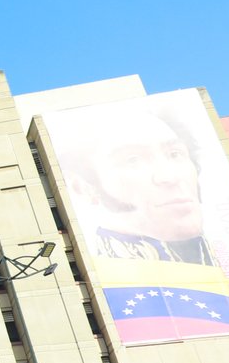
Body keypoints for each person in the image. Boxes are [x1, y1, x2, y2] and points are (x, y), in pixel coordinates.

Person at [56, 106, 214, 264]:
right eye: (133, 160)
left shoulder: (218, 258)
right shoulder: (112, 275)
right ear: (83, 188)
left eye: (174, 154)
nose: (169, 177)